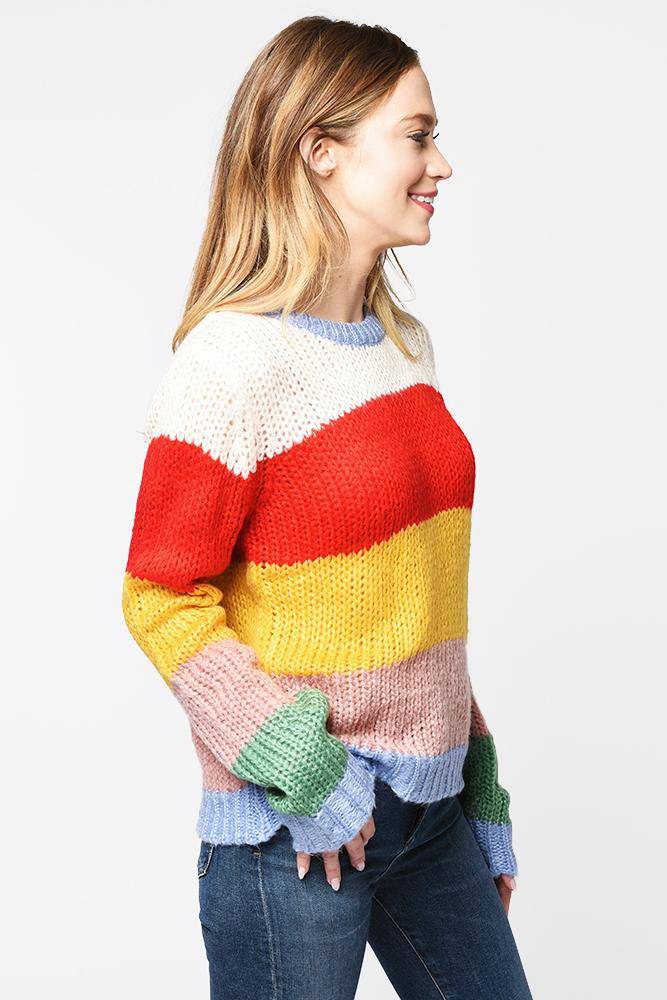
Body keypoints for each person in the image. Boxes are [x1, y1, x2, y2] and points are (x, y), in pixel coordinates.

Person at [122, 15, 534, 1000]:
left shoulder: (402, 349)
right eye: (418, 136)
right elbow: (160, 597)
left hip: (430, 818)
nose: (442, 164)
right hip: (297, 830)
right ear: (322, 152)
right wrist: (305, 770)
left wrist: (475, 778)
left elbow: (412, 594)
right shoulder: (229, 365)